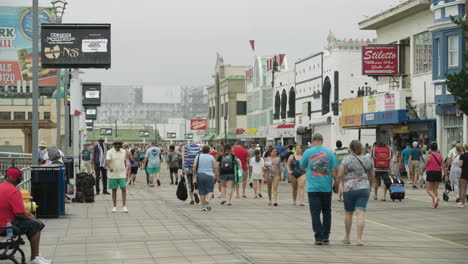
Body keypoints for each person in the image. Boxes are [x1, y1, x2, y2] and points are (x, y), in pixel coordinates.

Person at [0, 168, 52, 264]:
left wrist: (31, 216)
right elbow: (19, 214)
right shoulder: (14, 191)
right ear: (18, 179)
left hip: (3, 223)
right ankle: (34, 258)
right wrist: (34, 220)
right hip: (5, 227)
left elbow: (21, 210)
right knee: (34, 225)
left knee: (33, 223)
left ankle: (36, 256)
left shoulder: (2, 187)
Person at [300, 133, 339, 246]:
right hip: (326, 188)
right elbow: (334, 171)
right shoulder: (329, 153)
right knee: (327, 212)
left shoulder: (308, 152)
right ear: (322, 141)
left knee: (315, 213)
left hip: (313, 188)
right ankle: (326, 236)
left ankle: (318, 237)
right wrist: (336, 184)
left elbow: (302, 166)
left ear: (312, 141)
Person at [337, 140, 375, 246]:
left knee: (349, 213)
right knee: (361, 213)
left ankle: (347, 237)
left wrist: (336, 185)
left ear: (351, 148)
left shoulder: (346, 159)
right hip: (364, 187)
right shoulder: (368, 159)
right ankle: (359, 239)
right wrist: (370, 186)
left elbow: (340, 174)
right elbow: (372, 176)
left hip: (349, 188)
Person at [421, 142, 448, 208]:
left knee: (429, 189)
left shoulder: (429, 156)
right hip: (438, 172)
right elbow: (444, 166)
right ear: (437, 148)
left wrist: (422, 171)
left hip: (430, 172)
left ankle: (435, 198)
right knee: (435, 188)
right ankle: (434, 204)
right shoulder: (440, 156)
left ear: (430, 149)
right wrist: (446, 174)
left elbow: (425, 166)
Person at [106, 139, 128, 213]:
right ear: (114, 145)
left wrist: (126, 172)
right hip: (113, 174)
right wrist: (109, 167)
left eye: (119, 144)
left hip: (122, 173)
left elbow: (124, 161)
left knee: (123, 189)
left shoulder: (124, 151)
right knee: (114, 190)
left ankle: (124, 206)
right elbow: (108, 161)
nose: (118, 145)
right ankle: (114, 206)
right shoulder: (109, 152)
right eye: (116, 144)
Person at [193, 145, 217, 211]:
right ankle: (208, 200)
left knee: (201, 191)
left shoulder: (198, 156)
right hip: (209, 175)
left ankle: (203, 206)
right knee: (210, 190)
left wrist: (194, 175)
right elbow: (214, 167)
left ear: (202, 150)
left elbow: (194, 166)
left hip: (200, 175)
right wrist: (215, 174)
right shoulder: (211, 157)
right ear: (209, 151)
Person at [458, 143, 468, 208]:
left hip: (464, 173)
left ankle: (462, 203)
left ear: (464, 148)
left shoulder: (462, 155)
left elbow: (460, 165)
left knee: (463, 188)